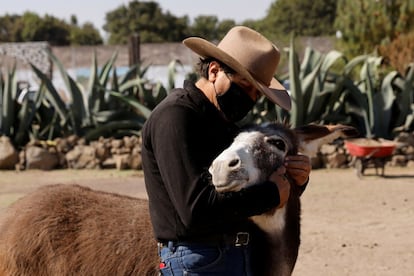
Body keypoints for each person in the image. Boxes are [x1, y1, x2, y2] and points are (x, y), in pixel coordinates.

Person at [141, 26, 311, 275]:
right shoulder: (175, 117)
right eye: (245, 86)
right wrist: (272, 195)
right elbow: (194, 210)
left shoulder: (222, 124)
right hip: (198, 260)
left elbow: (250, 188)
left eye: (257, 94)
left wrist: (296, 179)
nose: (250, 99)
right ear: (214, 71)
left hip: (232, 255)